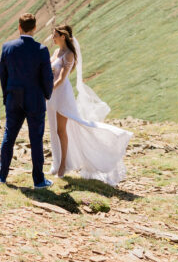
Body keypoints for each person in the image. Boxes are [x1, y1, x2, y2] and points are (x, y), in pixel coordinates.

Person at [47, 24, 132, 185]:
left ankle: (63, 165)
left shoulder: (69, 54)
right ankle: (56, 163)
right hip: (52, 96)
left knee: (61, 130)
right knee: (54, 129)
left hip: (61, 94)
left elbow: (62, 78)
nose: (53, 38)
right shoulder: (56, 52)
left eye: (55, 35)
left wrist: (49, 89)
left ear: (62, 36)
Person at [0, 13, 55, 189]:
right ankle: (38, 180)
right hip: (35, 99)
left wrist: (6, 93)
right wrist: (47, 94)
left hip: (13, 97)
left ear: (19, 27)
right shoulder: (41, 50)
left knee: (9, 136)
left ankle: (2, 176)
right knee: (36, 139)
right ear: (35, 28)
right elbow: (47, 77)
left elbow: (2, 73)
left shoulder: (7, 47)